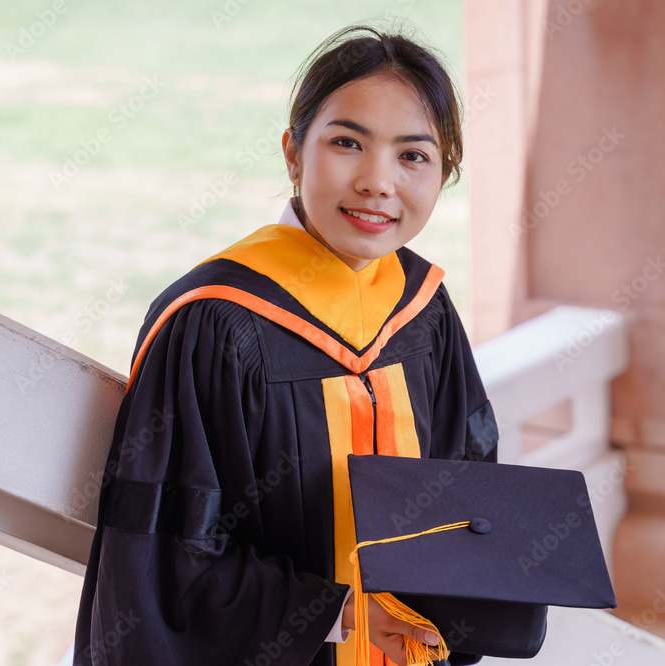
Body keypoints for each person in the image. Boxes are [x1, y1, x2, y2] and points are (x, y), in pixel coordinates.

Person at [73, 23, 498, 666]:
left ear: (445, 173)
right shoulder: (215, 324)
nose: (378, 182)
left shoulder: (423, 311)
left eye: (413, 155)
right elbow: (164, 562)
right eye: (347, 143)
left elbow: (470, 492)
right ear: (293, 153)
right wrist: (341, 614)